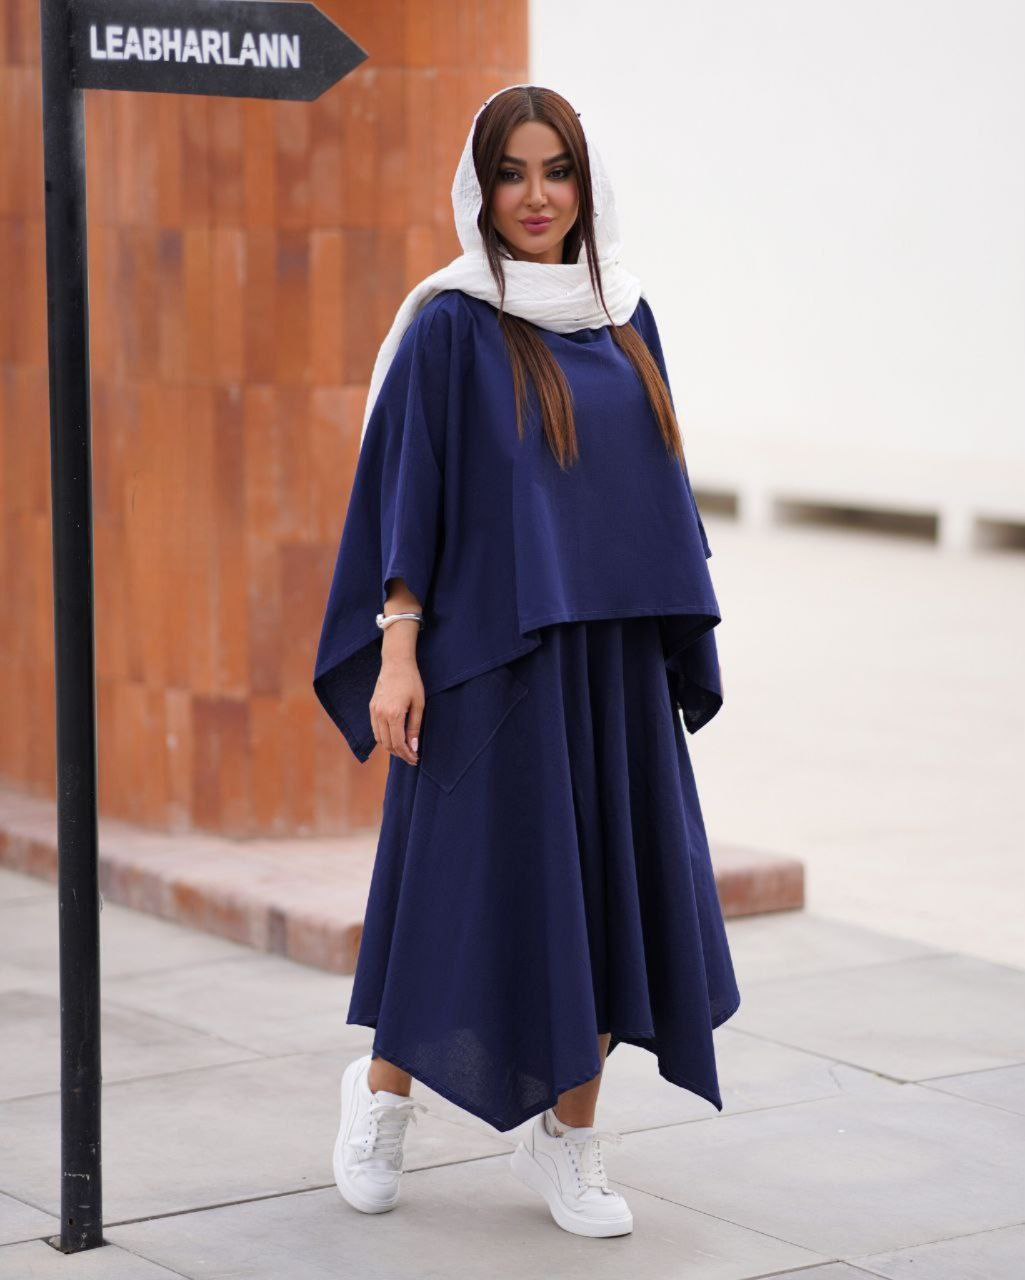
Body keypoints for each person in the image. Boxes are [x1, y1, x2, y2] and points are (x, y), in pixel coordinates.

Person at [313, 83, 740, 1239]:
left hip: (610, 668)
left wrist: (663, 653)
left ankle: (570, 1135)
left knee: (600, 898)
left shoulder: (626, 320)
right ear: (480, 187)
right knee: (449, 894)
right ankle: (379, 1099)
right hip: (487, 663)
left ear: (584, 186)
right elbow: (407, 499)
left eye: (556, 172)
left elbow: (656, 492)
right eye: (511, 172)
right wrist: (397, 653)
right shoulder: (449, 325)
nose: (536, 196)